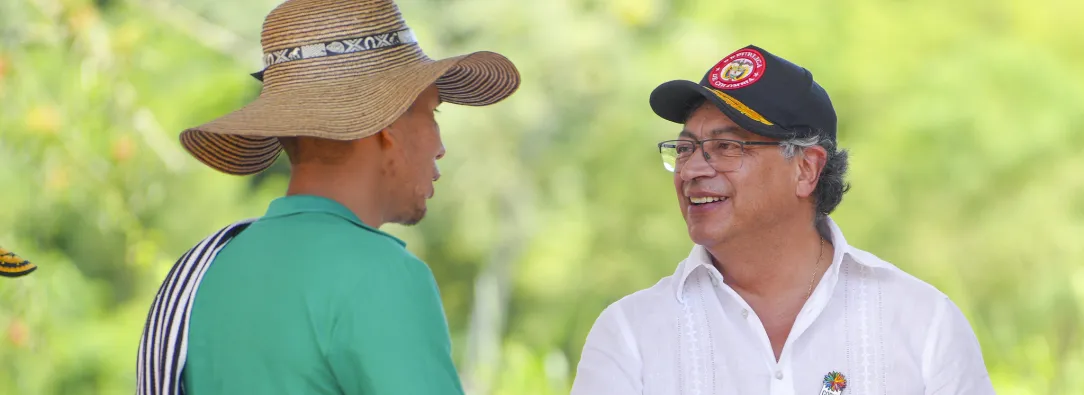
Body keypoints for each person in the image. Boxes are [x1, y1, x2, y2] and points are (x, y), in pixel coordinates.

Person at [135, 0, 520, 394]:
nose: (440, 146)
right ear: (387, 123)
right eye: (433, 114)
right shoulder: (380, 275)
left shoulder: (205, 271)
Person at [570, 45, 994, 395]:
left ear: (807, 169)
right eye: (684, 149)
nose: (692, 170)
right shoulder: (631, 335)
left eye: (727, 147)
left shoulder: (921, 324)